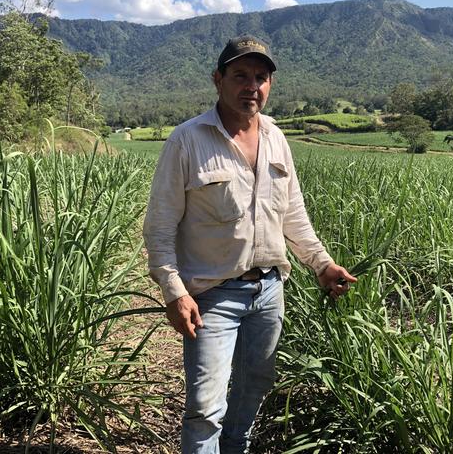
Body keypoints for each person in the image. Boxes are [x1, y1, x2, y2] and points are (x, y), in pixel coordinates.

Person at [143, 34, 356, 454]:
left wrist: (321, 264)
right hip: (212, 296)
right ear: (217, 79)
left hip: (270, 291)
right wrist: (174, 292)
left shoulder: (277, 138)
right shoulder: (187, 140)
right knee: (205, 407)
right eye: (240, 75)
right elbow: (160, 227)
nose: (251, 86)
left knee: (253, 389)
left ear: (270, 85)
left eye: (261, 77)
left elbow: (292, 214)